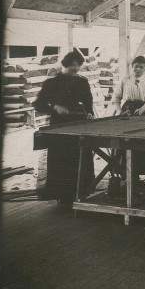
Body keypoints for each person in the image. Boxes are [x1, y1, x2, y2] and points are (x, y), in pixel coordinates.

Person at [34, 51, 95, 206]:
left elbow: (88, 101)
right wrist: (55, 107)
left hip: (80, 125)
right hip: (60, 126)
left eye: (79, 65)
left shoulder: (82, 82)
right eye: (73, 65)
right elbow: (38, 104)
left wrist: (89, 113)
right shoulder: (51, 83)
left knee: (81, 157)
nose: (76, 68)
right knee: (62, 161)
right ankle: (64, 197)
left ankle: (82, 192)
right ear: (65, 64)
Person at [112, 55, 145, 177]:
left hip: (143, 111)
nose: (138, 69)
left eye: (141, 67)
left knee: (141, 140)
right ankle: (124, 172)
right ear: (132, 67)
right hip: (127, 110)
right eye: (136, 66)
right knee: (124, 140)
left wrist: (142, 109)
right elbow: (116, 98)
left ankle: (138, 172)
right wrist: (119, 110)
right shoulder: (125, 80)